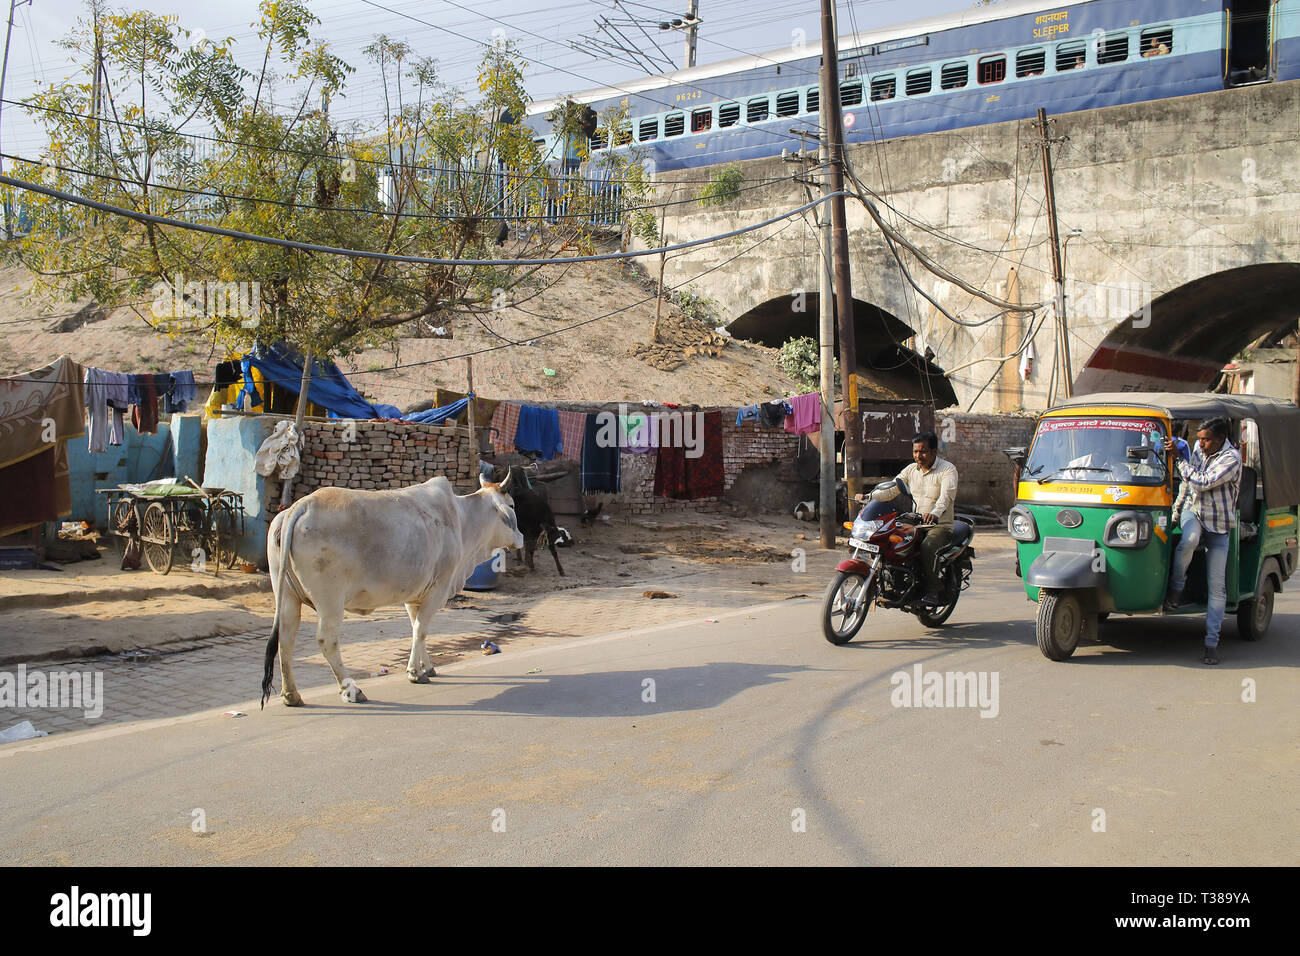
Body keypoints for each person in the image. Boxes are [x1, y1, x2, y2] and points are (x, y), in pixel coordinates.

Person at [1161, 417, 1242, 665]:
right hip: (1193, 513)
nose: (1201, 443)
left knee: (1217, 588)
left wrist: (1180, 460)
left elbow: (1202, 482)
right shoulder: (1198, 449)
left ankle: (1211, 643)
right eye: (1200, 438)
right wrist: (1177, 512)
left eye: (1206, 439)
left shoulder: (1232, 459)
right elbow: (1187, 485)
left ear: (1219, 439)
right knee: (1190, 539)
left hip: (1219, 525)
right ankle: (1176, 589)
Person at [858, 432, 959, 606]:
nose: (918, 456)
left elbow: (946, 496)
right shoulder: (911, 470)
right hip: (916, 523)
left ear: (934, 451)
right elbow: (891, 489)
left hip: (939, 525)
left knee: (928, 547)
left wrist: (935, 513)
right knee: (890, 539)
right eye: (915, 452)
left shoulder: (948, 469)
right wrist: (869, 496)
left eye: (923, 452)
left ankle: (933, 591)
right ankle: (896, 581)